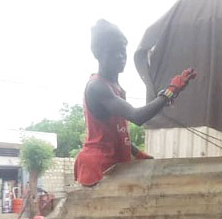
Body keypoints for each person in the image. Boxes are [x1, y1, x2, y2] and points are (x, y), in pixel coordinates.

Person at [74, 19, 197, 186]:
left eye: (122, 51)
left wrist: (138, 154)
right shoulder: (98, 87)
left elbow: (116, 134)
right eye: (113, 52)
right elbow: (137, 116)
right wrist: (171, 91)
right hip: (98, 168)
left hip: (114, 166)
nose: (120, 57)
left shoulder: (115, 87)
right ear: (99, 54)